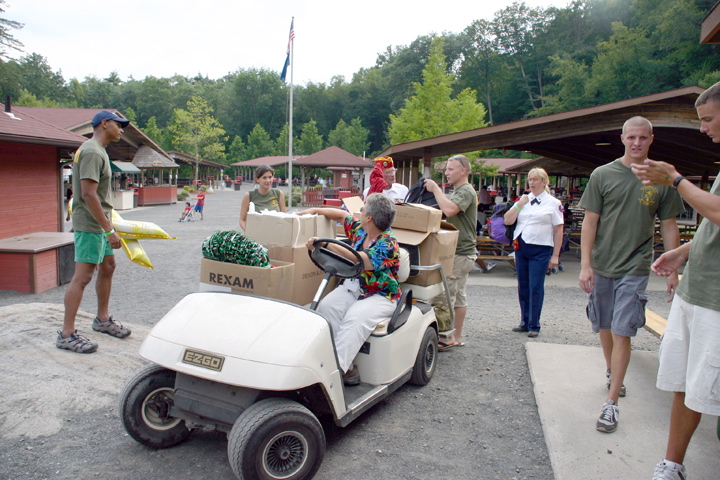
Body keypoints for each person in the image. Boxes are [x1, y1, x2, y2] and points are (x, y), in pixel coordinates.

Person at [631, 81, 720, 480]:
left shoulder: (680, 179)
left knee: (709, 385)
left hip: (716, 301)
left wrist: (676, 179)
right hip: (694, 292)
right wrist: (682, 252)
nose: (703, 129)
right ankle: (672, 464)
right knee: (683, 381)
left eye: (708, 119)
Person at [578, 116, 684, 433]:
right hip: (602, 263)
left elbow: (668, 224)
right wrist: (585, 264)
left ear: (651, 139)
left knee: (623, 329)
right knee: (605, 324)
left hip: (636, 266)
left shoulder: (661, 177)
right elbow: (590, 222)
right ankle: (613, 371)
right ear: (622, 138)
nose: (636, 143)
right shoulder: (603, 174)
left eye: (642, 138)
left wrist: (672, 268)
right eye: (631, 137)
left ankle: (611, 405)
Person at [301, 193, 401, 385]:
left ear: (369, 217)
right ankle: (346, 369)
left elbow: (358, 259)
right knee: (327, 307)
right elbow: (340, 216)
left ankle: (331, 375)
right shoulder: (362, 230)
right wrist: (313, 210)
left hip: (380, 294)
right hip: (354, 286)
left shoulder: (388, 244)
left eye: (363, 209)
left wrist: (326, 243)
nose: (360, 211)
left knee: (354, 319)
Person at [58, 111, 132, 353]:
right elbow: (88, 194)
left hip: (99, 224)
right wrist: (108, 229)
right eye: (118, 125)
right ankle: (66, 334)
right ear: (104, 124)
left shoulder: (99, 150)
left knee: (108, 267)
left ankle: (102, 319)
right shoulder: (91, 151)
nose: (122, 129)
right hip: (91, 225)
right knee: (83, 277)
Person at [423, 154, 477, 350]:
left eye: (451, 169)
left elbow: (449, 210)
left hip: (460, 253)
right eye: (446, 169)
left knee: (446, 295)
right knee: (459, 295)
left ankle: (446, 337)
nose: (446, 173)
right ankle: (457, 336)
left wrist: (436, 189)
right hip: (464, 252)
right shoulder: (460, 190)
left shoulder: (465, 191)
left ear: (463, 171)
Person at [503, 168, 563, 338]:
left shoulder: (553, 203)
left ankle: (534, 324)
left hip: (541, 248)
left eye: (536, 179)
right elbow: (508, 220)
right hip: (521, 246)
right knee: (523, 285)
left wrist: (556, 255)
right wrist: (520, 203)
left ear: (544, 182)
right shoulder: (524, 200)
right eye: (530, 179)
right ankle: (524, 320)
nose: (532, 182)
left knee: (535, 286)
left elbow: (558, 230)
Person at [239, 165, 287, 230]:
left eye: (270, 177)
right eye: (264, 178)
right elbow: (242, 220)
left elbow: (285, 218)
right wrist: (250, 233)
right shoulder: (249, 195)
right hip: (257, 235)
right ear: (257, 179)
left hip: (276, 234)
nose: (268, 180)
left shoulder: (278, 194)